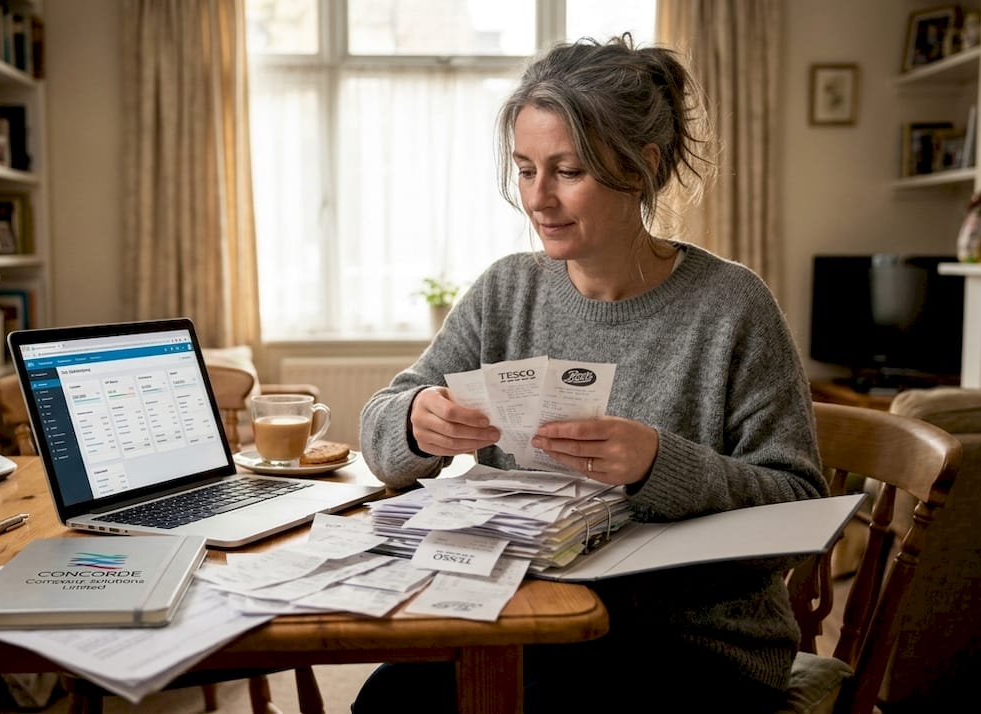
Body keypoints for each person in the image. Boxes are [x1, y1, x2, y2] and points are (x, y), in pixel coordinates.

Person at [353, 34, 826, 713]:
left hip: (692, 648)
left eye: (567, 170)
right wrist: (414, 418)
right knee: (389, 700)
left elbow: (800, 510)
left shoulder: (732, 307)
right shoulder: (505, 293)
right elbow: (381, 429)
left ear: (641, 167)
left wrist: (661, 463)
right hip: (529, 618)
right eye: (524, 170)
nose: (538, 199)